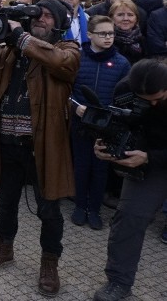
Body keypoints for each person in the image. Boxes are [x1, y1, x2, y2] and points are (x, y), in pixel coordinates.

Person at [0, 0, 79, 297]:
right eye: (36, 15)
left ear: (59, 24)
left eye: (46, 17)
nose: (39, 20)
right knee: (6, 202)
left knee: (49, 210)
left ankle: (49, 264)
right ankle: (3, 249)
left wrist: (21, 36)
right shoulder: (10, 51)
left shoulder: (68, 50)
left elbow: (60, 64)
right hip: (8, 143)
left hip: (43, 147)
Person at [91, 60, 167, 301]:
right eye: (147, 100)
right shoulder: (125, 89)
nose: (153, 104)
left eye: (158, 98)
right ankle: (119, 282)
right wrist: (104, 143)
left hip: (153, 156)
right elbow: (119, 124)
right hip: (149, 159)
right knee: (129, 218)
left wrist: (149, 158)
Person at [68, 16, 130, 231]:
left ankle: (94, 209)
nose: (108, 38)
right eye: (103, 33)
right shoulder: (76, 57)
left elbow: (125, 97)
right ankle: (80, 206)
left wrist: (112, 115)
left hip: (106, 126)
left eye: (111, 33)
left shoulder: (121, 63)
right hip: (81, 122)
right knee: (81, 165)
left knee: (100, 168)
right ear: (90, 34)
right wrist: (76, 107)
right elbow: (67, 91)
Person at [109, 0, 145, 64]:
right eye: (120, 15)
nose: (125, 19)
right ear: (112, 18)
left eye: (130, 15)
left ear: (136, 18)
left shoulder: (143, 40)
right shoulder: (107, 39)